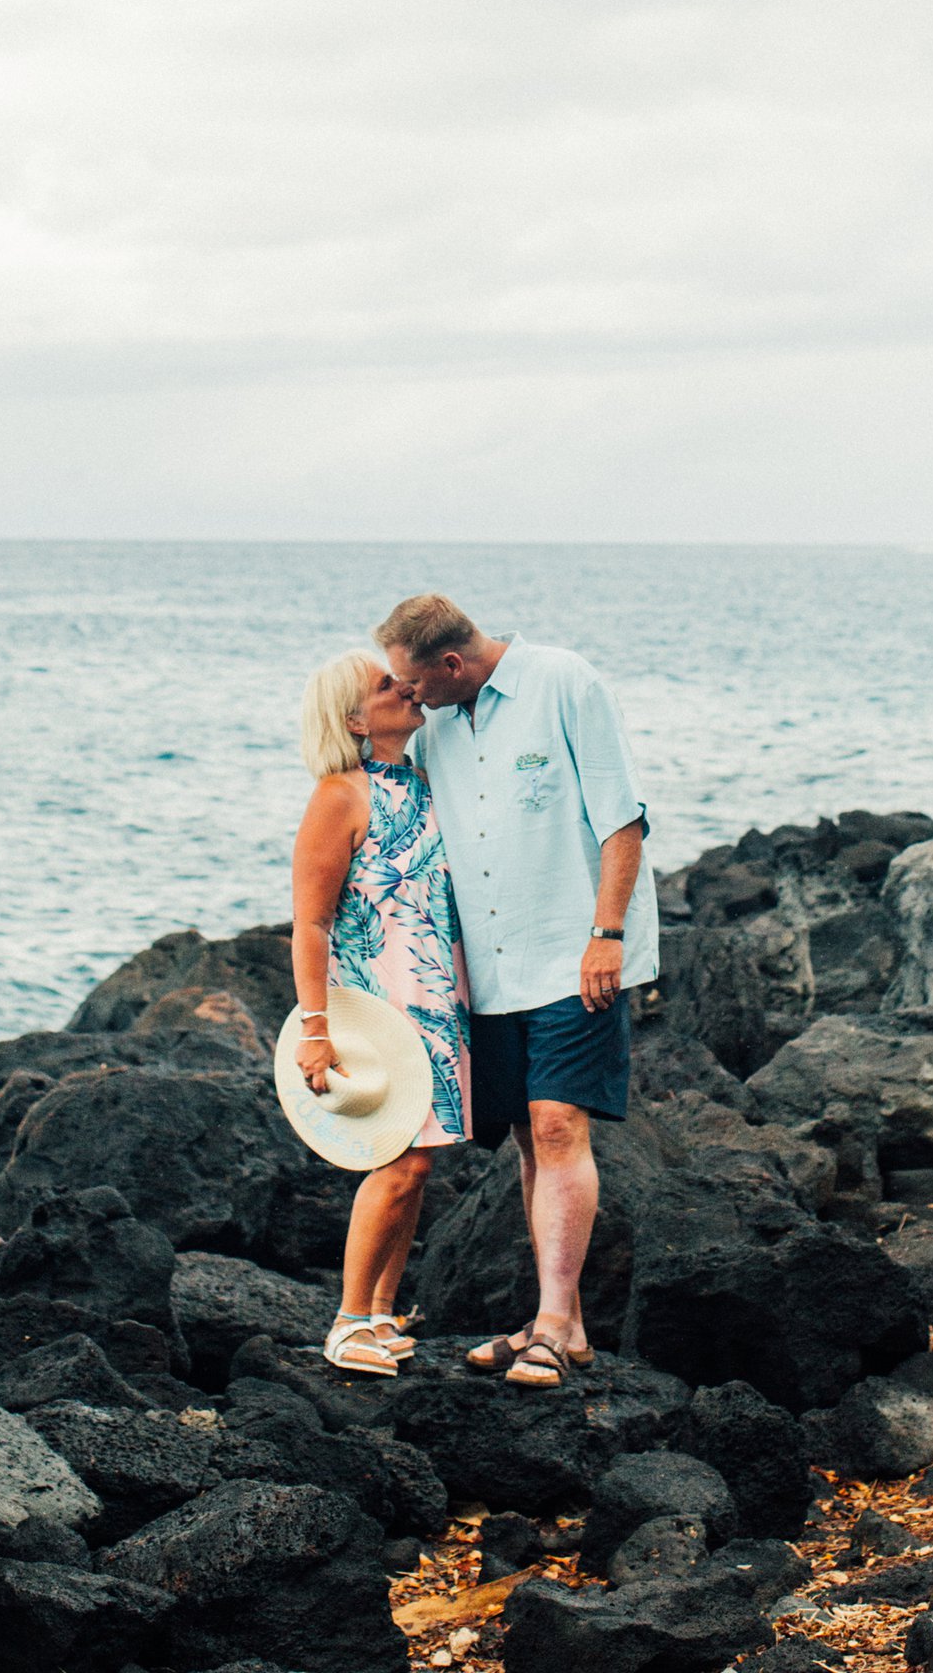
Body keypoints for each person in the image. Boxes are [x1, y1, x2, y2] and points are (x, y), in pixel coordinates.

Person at [376, 594, 658, 1391]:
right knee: (532, 1138)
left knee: (561, 1123)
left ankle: (555, 1323)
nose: (409, 696)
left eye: (414, 682)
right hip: (489, 968)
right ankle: (559, 1323)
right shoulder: (436, 725)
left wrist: (607, 935)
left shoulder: (564, 682)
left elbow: (623, 820)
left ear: (451, 663)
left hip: (574, 954)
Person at [289, 648, 473, 1375]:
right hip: (379, 1005)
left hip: (436, 999)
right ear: (356, 720)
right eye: (383, 684)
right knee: (402, 1160)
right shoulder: (340, 795)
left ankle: (381, 1313)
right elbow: (311, 923)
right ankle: (346, 1322)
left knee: (418, 1162)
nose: (404, 686)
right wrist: (315, 1028)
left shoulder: (426, 784)